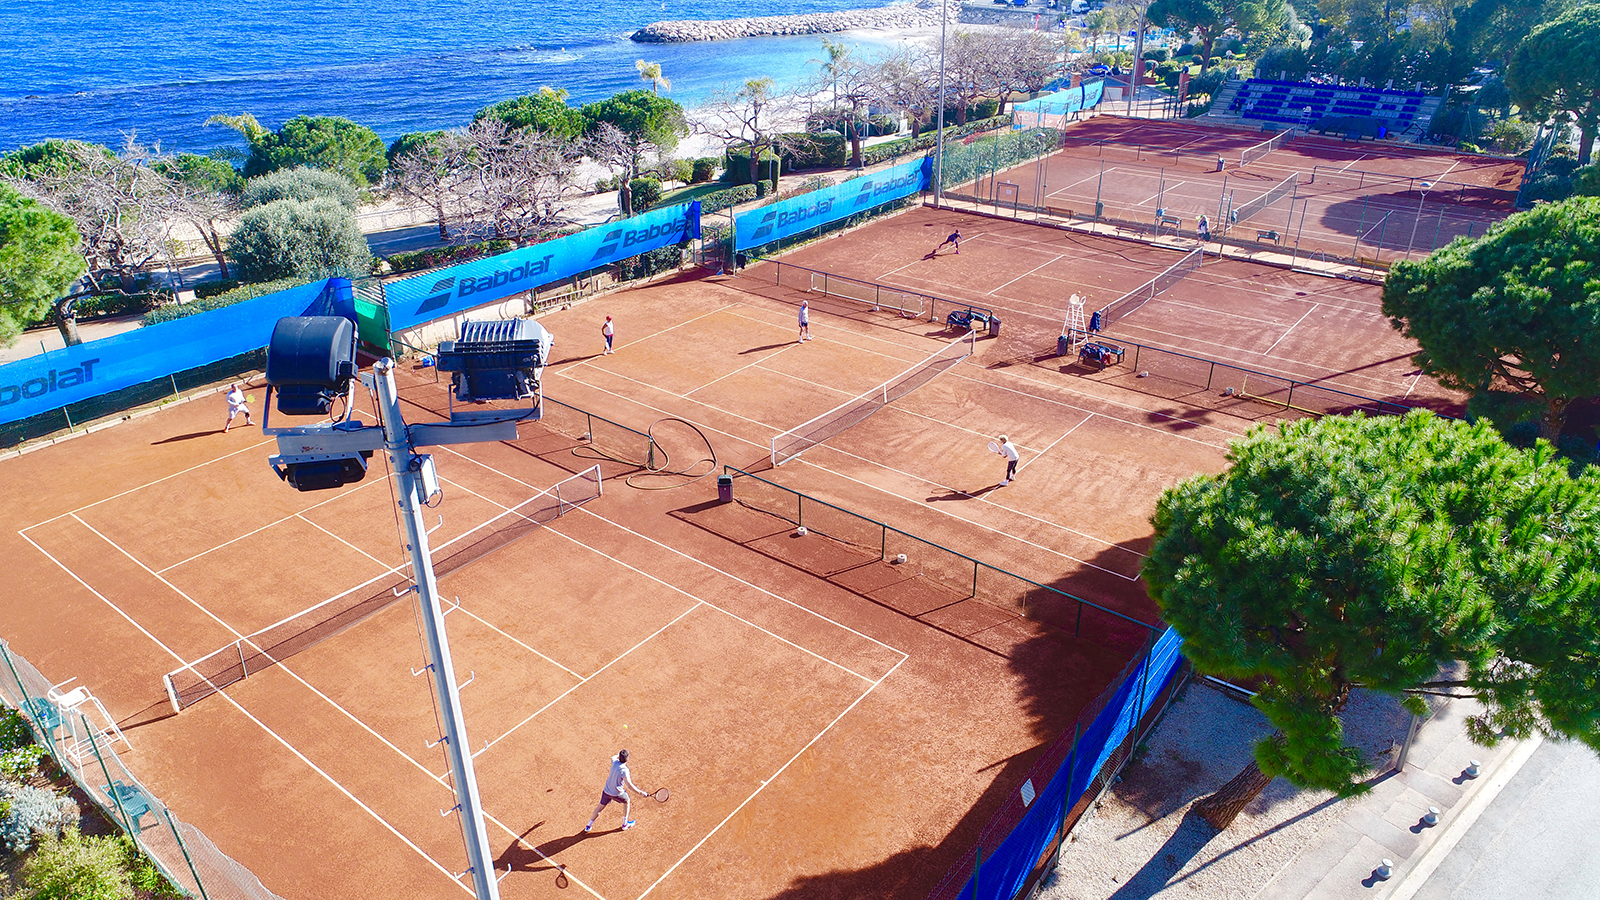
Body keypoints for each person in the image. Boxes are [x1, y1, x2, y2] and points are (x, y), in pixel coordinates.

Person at [586, 749, 645, 832]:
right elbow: (629, 785)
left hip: (606, 791)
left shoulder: (614, 762)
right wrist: (641, 793)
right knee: (627, 801)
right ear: (627, 759)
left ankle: (589, 825)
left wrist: (619, 755)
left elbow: (613, 757)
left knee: (599, 808)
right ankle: (625, 824)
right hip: (617, 794)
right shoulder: (625, 770)